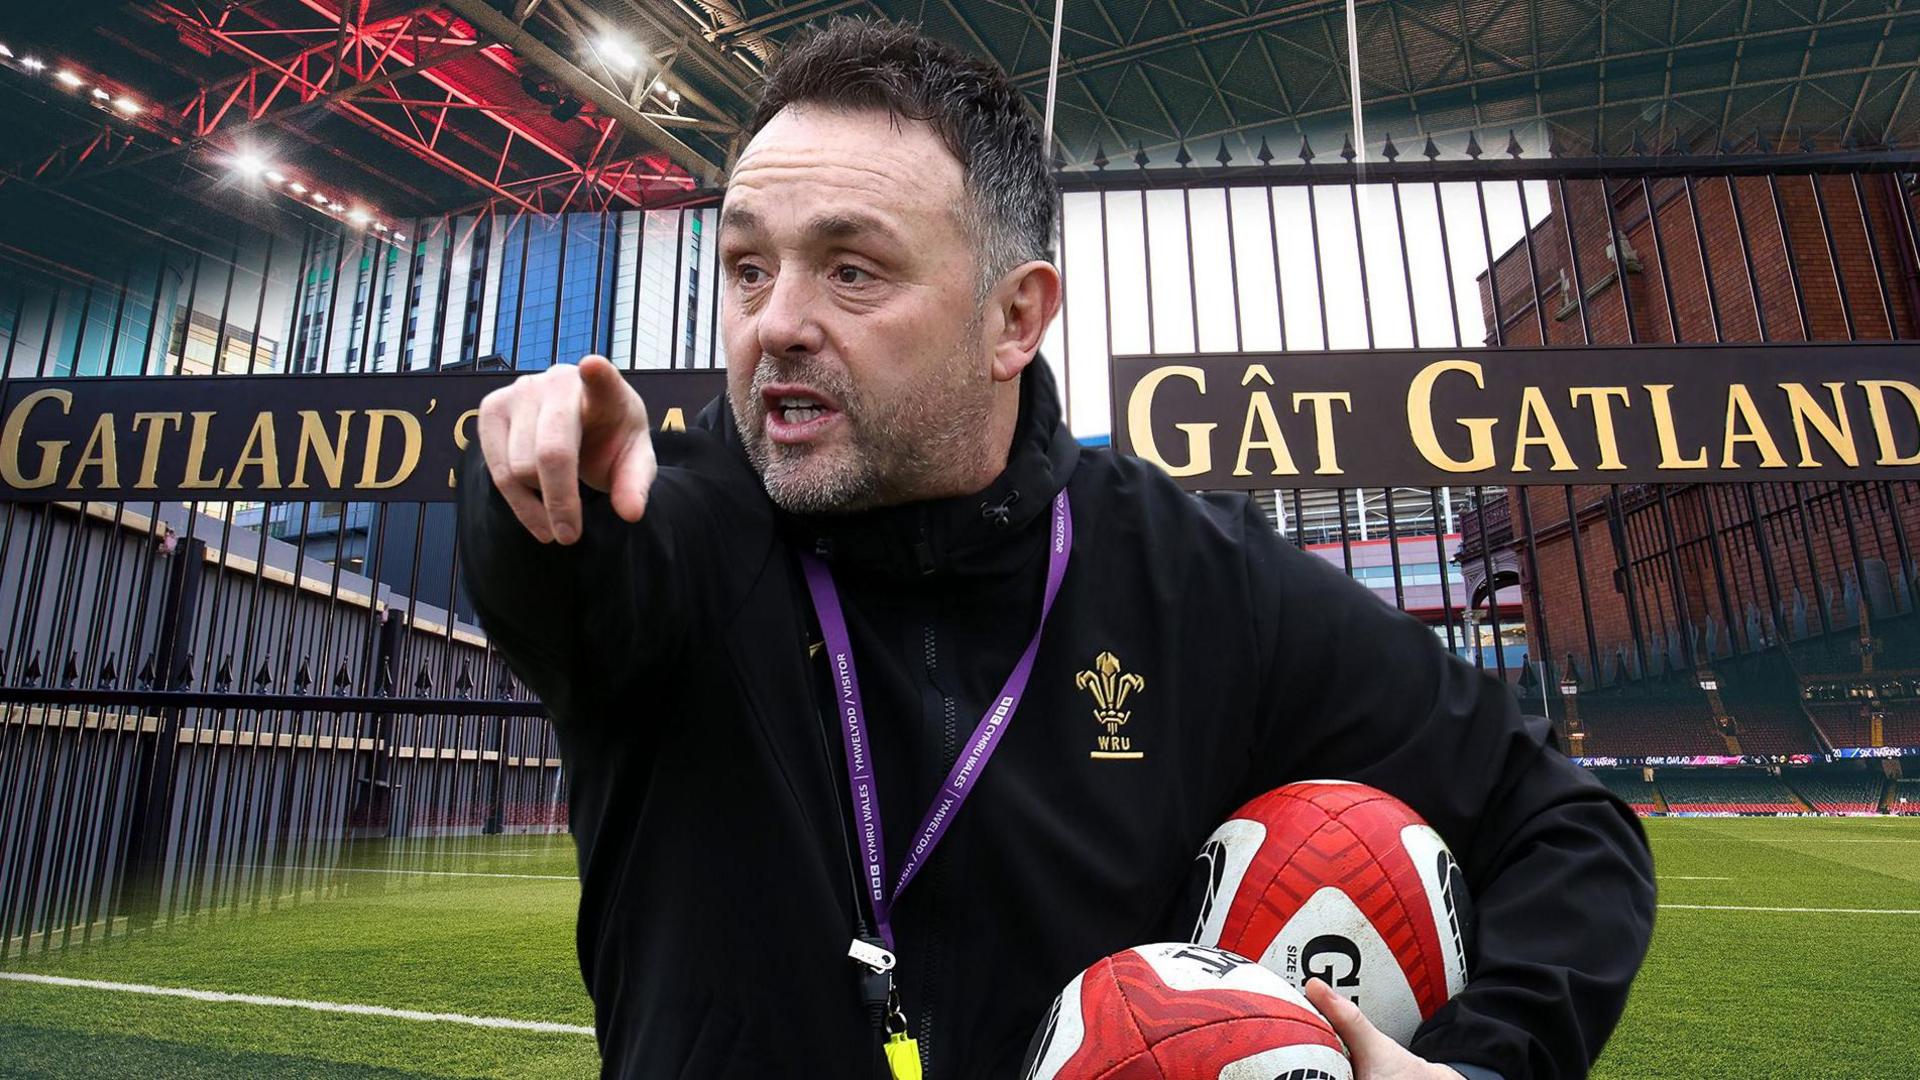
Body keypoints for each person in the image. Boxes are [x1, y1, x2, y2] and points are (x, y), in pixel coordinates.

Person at [456, 17, 1655, 1080]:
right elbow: (564, 584)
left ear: (1015, 317)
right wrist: (524, 494)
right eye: (749, 266)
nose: (776, 323)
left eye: (852, 270)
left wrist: (1489, 1066)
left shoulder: (1191, 575)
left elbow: (1565, 828)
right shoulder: (676, 529)